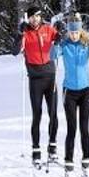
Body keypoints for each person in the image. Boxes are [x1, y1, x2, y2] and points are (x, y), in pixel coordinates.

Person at [56, 17, 89, 177]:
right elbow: (52, 56)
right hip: (69, 92)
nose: (74, 35)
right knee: (72, 129)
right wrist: (56, 43)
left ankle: (86, 164)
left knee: (84, 129)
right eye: (71, 32)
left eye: (76, 32)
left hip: (85, 91)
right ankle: (69, 166)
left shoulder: (86, 44)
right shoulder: (65, 45)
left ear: (80, 32)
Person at [19, 10, 60, 166]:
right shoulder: (25, 32)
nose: (35, 19)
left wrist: (60, 31)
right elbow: (15, 51)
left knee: (53, 113)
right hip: (35, 79)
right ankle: (36, 151)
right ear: (28, 18)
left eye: (37, 16)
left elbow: (59, 39)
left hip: (51, 77)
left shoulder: (48, 29)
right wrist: (19, 34)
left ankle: (52, 148)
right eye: (32, 16)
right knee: (37, 115)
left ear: (40, 17)